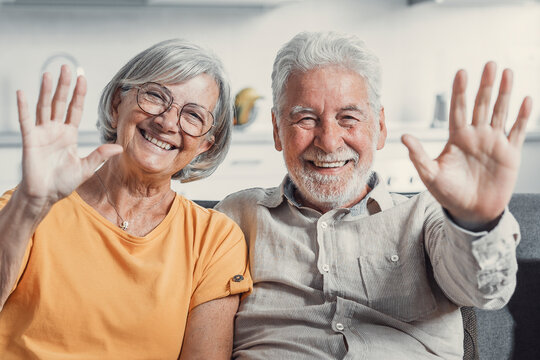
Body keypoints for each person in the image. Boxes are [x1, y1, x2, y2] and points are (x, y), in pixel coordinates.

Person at [216, 31, 533, 359]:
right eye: (306, 119)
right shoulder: (237, 217)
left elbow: (486, 291)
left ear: (380, 127)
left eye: (348, 118)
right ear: (276, 129)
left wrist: (477, 221)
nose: (329, 141)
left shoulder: (428, 214)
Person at [0, 39, 251, 359]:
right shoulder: (23, 209)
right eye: (156, 96)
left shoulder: (214, 240)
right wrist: (29, 205)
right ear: (118, 104)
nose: (167, 122)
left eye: (193, 116)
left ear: (205, 146)